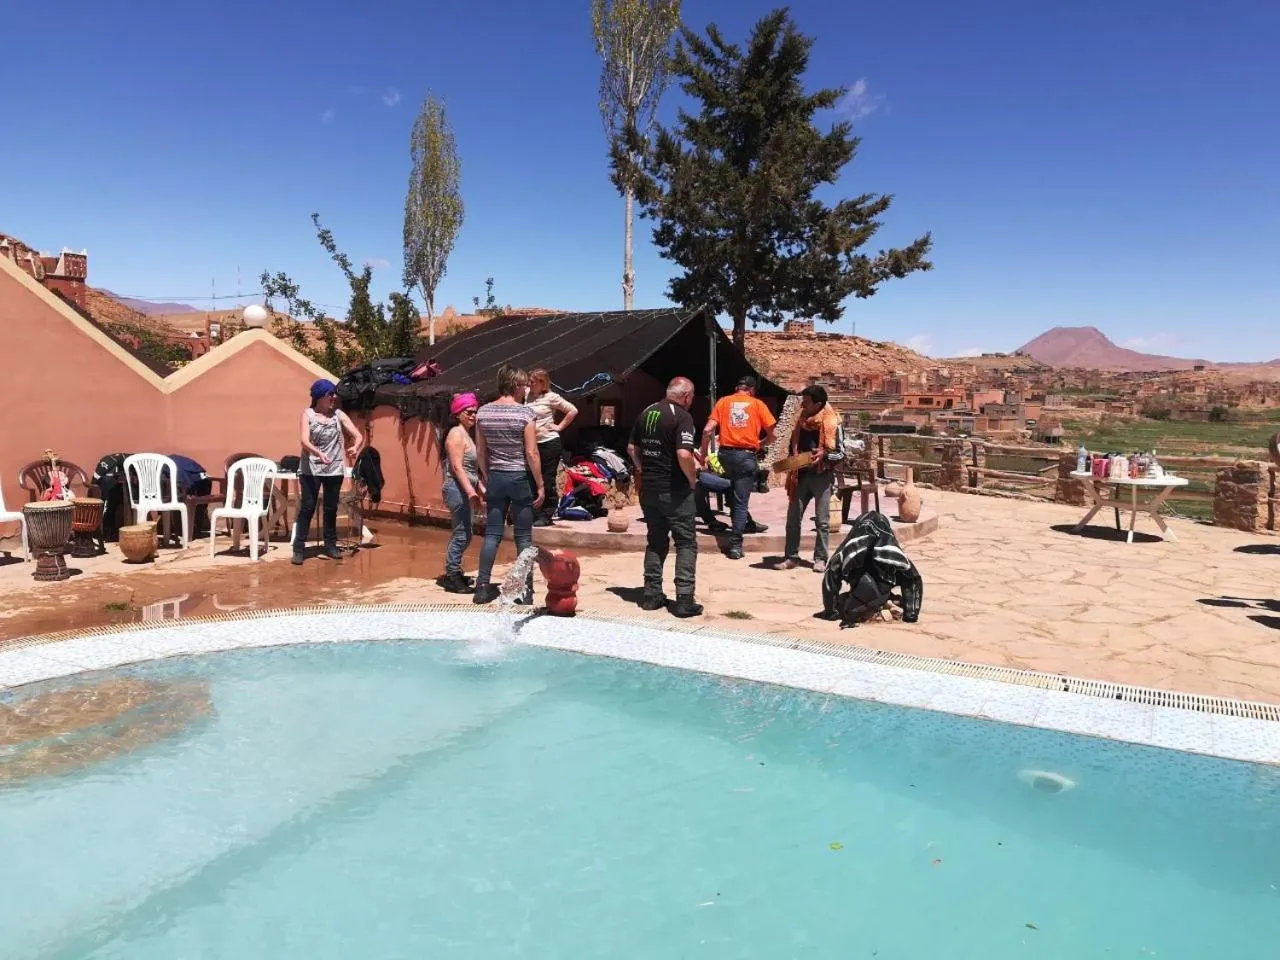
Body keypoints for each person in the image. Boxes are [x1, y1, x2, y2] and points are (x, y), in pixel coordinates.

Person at [628, 377, 702, 617]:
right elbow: (684, 454)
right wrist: (692, 479)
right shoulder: (682, 417)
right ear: (686, 396)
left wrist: (641, 469)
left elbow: (632, 448)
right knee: (685, 542)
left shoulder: (647, 412)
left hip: (650, 490)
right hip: (675, 490)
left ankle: (651, 595)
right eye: (692, 397)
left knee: (656, 541)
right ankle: (684, 599)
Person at [473, 366, 543, 604]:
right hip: (519, 478)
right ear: (515, 385)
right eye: (525, 385)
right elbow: (531, 452)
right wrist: (540, 484)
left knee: (492, 534)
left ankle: (482, 587)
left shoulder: (483, 412)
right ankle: (525, 591)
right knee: (523, 537)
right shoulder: (525, 414)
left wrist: (487, 475)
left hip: (496, 477)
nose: (526, 390)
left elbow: (480, 451)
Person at [700, 375, 777, 560]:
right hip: (745, 457)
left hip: (725, 456)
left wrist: (702, 454)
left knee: (733, 489)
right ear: (751, 390)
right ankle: (735, 545)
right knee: (741, 500)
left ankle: (746, 522)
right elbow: (773, 435)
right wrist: (761, 443)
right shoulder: (757, 404)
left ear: (737, 388)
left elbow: (707, 430)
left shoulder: (723, 402)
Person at [294, 378, 363, 565]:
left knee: (331, 508)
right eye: (329, 394)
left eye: (334, 394)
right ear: (319, 397)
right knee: (308, 506)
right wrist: (318, 453)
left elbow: (358, 435)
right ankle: (298, 548)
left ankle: (330, 545)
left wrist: (355, 447)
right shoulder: (307, 415)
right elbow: (304, 441)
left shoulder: (338, 415)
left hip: (334, 468)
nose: (333, 397)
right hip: (311, 469)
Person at [779, 384, 842, 573]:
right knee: (793, 519)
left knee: (822, 521)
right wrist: (792, 460)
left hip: (821, 477)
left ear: (818, 404)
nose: (802, 405)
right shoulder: (800, 421)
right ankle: (791, 557)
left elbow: (841, 453)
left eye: (806, 402)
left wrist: (824, 455)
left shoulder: (833, 422)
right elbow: (793, 446)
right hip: (800, 475)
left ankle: (820, 559)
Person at [439, 392, 484, 594]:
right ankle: (452, 576)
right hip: (456, 490)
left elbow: (470, 470)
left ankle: (454, 571)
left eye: (475, 412)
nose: (473, 415)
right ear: (458, 413)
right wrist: (471, 492)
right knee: (462, 534)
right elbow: (457, 468)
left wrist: (481, 488)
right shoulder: (456, 434)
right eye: (469, 412)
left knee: (465, 533)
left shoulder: (466, 434)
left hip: (463, 489)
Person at [525, 369, 578, 526]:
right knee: (531, 478)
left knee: (547, 479)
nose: (529, 384)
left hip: (548, 442)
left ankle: (546, 514)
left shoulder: (551, 397)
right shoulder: (525, 395)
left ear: (542, 383)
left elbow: (573, 410)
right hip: (531, 444)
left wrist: (559, 427)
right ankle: (532, 512)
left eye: (532, 381)